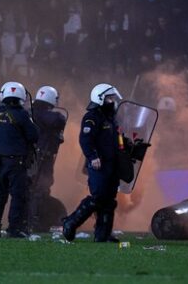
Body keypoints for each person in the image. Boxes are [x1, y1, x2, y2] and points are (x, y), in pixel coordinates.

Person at [63, 83, 123, 243]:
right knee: (98, 197)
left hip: (112, 165)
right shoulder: (92, 117)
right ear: (101, 98)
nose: (113, 101)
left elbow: (116, 140)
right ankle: (71, 222)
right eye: (110, 98)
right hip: (99, 164)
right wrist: (92, 156)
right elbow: (85, 139)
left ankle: (103, 235)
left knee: (109, 201)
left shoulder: (111, 118)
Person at [0, 81, 39, 238]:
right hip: (15, 162)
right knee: (18, 195)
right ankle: (14, 228)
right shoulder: (22, 115)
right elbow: (33, 136)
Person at [29, 85, 67, 231]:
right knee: (39, 188)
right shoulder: (42, 114)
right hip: (41, 158)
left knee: (36, 188)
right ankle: (35, 221)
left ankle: (34, 220)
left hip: (34, 157)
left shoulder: (30, 112)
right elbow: (58, 119)